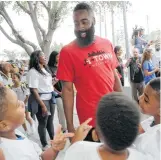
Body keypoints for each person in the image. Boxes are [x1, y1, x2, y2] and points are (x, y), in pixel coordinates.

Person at [57, 2, 122, 133]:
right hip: (89, 119)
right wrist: (70, 126)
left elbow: (114, 74)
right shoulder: (67, 51)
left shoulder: (106, 43)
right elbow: (68, 90)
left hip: (113, 112)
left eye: (84, 22)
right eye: (76, 23)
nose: (80, 27)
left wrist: (123, 104)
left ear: (93, 21)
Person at [64, 92, 151, 160]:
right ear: (136, 132)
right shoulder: (143, 157)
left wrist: (75, 142)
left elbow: (71, 154)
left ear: (97, 133)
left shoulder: (79, 150)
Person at [0, 87, 74, 160]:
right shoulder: (11, 154)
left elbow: (41, 157)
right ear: (4, 125)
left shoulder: (15, 133)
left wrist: (54, 149)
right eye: (17, 105)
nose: (22, 103)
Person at [27, 50, 55, 150]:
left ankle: (54, 140)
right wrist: (42, 105)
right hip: (41, 100)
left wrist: (54, 82)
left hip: (51, 98)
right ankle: (44, 144)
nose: (45, 57)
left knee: (50, 122)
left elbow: (48, 85)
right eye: (43, 55)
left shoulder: (45, 69)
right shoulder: (33, 71)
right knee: (43, 123)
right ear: (37, 58)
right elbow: (34, 90)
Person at [48, 51, 67, 132]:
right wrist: (59, 92)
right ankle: (63, 128)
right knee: (61, 111)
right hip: (57, 93)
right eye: (57, 57)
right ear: (53, 58)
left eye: (60, 56)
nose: (59, 58)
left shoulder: (62, 66)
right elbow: (49, 83)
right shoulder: (49, 68)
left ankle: (67, 126)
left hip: (66, 92)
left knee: (67, 111)